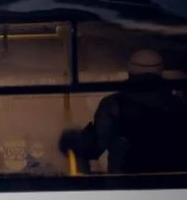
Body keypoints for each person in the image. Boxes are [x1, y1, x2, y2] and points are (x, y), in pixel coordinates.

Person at [58, 49, 187, 175]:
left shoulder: (114, 105)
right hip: (174, 183)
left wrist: (74, 140)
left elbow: (94, 147)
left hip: (125, 184)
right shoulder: (178, 105)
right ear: (160, 72)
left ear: (130, 70)